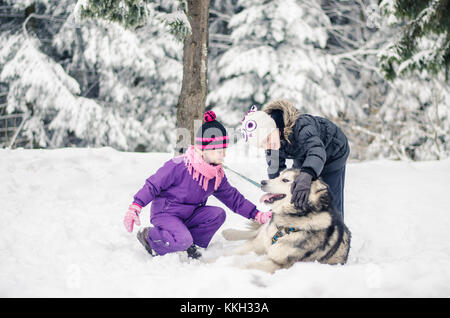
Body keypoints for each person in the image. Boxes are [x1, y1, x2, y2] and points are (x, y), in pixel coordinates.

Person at [124, 111, 272, 258]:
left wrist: (257, 215)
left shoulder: (215, 174)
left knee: (217, 214)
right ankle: (150, 237)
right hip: (166, 213)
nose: (224, 155)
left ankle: (189, 245)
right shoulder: (180, 165)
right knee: (182, 240)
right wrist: (136, 206)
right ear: (203, 149)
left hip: (189, 215)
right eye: (219, 151)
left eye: (224, 150)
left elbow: (233, 199)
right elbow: (153, 185)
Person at [241, 100, 350, 218]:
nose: (267, 146)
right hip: (303, 155)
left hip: (333, 153)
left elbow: (316, 150)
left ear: (273, 127)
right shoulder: (272, 141)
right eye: (261, 145)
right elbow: (276, 170)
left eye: (266, 139)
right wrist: (275, 191)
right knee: (296, 190)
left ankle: (335, 230)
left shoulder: (301, 126)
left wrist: (307, 175)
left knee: (328, 198)